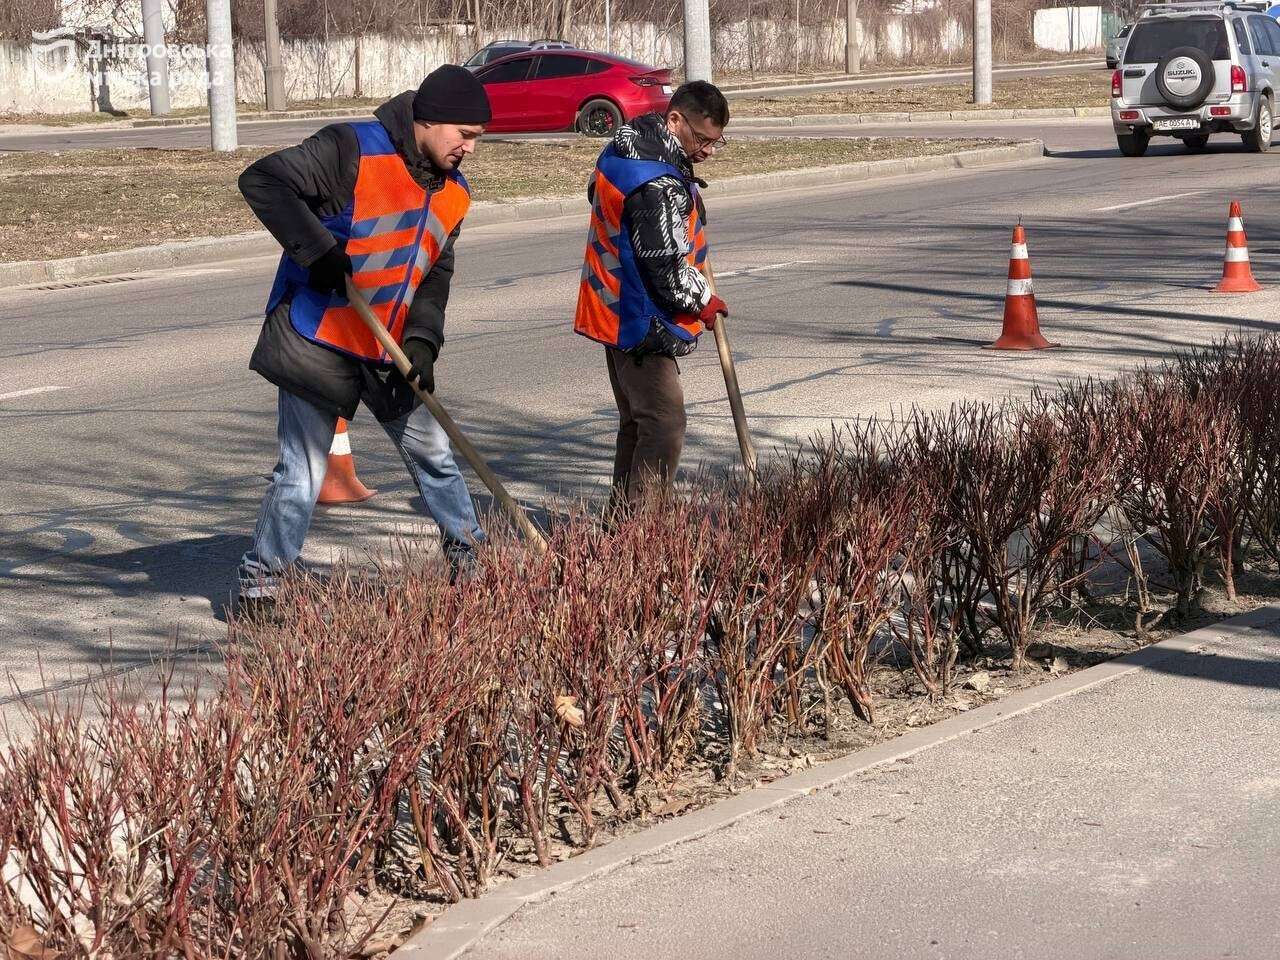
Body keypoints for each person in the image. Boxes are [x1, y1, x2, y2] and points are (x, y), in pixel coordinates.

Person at [234, 64, 491, 617]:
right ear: (427, 120)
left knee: (436, 455)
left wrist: (423, 342)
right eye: (463, 134)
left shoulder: (454, 195)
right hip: (319, 335)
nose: (469, 148)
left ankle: (470, 560)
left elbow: (433, 275)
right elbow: (263, 181)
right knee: (302, 468)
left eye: (477, 138)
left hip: (389, 347)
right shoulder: (351, 146)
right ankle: (261, 584)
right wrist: (319, 251)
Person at [573, 80, 731, 507]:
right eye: (702, 139)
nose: (708, 151)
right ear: (675, 120)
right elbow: (665, 271)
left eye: (716, 142)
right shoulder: (656, 183)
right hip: (639, 319)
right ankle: (641, 534)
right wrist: (704, 302)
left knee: (636, 423)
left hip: (610, 308)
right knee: (663, 424)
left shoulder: (624, 148)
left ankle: (620, 532)